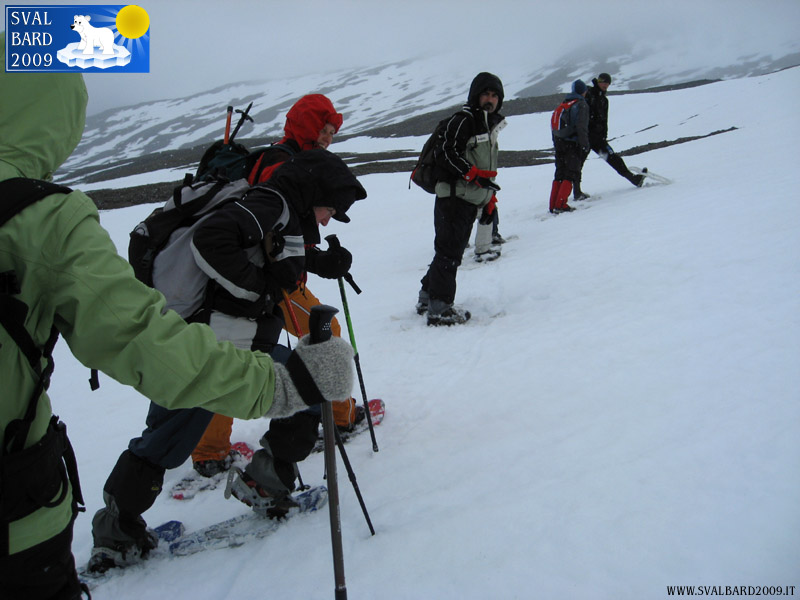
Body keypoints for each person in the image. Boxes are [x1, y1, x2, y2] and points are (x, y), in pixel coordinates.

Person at [0, 33, 354, 600]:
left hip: (211, 325)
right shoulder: (39, 218)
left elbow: (261, 242)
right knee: (195, 414)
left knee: (188, 418)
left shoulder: (272, 167)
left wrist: (305, 260)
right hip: (205, 331)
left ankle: (179, 502)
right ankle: (143, 515)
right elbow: (227, 248)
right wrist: (268, 283)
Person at [88, 147, 366, 573]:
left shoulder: (274, 206)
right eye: (329, 208)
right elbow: (213, 239)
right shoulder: (272, 203)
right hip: (218, 344)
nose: (327, 219)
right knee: (311, 382)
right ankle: (263, 481)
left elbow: (264, 247)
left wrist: (316, 261)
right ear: (314, 193)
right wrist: (257, 288)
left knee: (167, 435)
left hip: (195, 339)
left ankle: (117, 528)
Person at [191, 94, 361, 479]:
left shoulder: (284, 159)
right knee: (325, 339)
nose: (327, 138)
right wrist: (313, 262)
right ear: (305, 124)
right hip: (272, 281)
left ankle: (208, 450)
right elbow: (274, 232)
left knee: (230, 359)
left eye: (332, 132)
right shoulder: (284, 164)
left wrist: (314, 258)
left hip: (266, 278)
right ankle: (339, 417)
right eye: (323, 129)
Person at [416, 72, 505, 326]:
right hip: (454, 199)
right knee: (449, 254)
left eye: (494, 95)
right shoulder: (463, 120)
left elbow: (481, 163)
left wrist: (487, 194)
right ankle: (439, 308)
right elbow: (447, 151)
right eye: (485, 94)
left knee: (446, 251)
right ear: (475, 96)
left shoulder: (486, 125)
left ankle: (426, 297)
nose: (490, 100)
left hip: (466, 198)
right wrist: (471, 174)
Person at [580, 72, 645, 198]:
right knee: (578, 165)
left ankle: (634, 179)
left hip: (598, 139)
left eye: (607, 83)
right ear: (598, 82)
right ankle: (576, 192)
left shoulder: (604, 100)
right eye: (603, 82)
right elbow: (582, 115)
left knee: (613, 158)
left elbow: (604, 120)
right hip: (585, 138)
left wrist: (604, 135)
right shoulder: (588, 94)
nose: (605, 85)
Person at [550, 79, 590, 214]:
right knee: (570, 172)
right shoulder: (581, 104)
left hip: (559, 141)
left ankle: (553, 204)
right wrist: (585, 144)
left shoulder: (564, 104)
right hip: (571, 142)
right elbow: (581, 127)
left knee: (559, 172)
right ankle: (561, 204)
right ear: (583, 91)